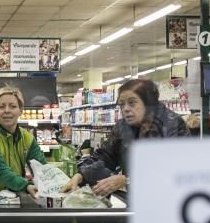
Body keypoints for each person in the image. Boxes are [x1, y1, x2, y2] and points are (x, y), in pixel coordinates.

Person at [60, 78, 188, 197]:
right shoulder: (122, 127)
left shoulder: (173, 125)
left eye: (132, 103)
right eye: (122, 104)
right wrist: (80, 175)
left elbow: (176, 170)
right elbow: (105, 156)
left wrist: (126, 180)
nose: (126, 109)